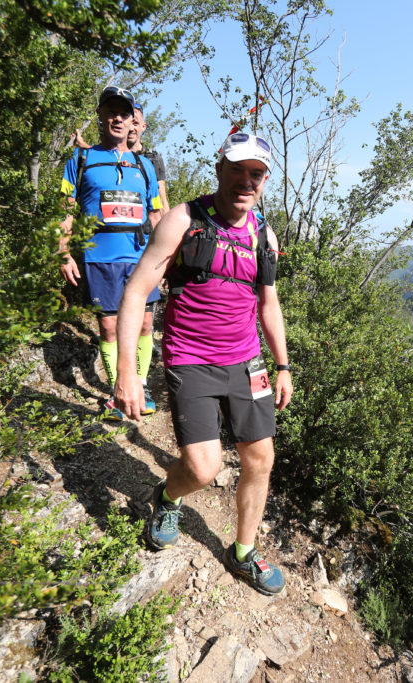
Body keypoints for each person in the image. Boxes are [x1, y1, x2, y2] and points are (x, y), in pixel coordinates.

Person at [113, 132, 293, 596]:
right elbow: (135, 292)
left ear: (265, 179)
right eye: (237, 169)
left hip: (246, 361)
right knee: (203, 468)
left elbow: (268, 305)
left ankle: (244, 552)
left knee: (261, 459)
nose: (246, 181)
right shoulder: (183, 221)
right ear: (220, 169)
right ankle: (168, 497)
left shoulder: (263, 234)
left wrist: (283, 365)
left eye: (256, 173)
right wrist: (126, 374)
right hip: (191, 359)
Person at [59, 85, 164, 419]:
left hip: (140, 257)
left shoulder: (144, 165)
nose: (117, 119)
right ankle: (119, 391)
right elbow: (64, 210)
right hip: (99, 255)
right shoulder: (81, 159)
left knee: (146, 325)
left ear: (132, 119)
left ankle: (141, 387)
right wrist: (63, 252)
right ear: (101, 116)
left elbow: (157, 215)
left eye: (124, 113)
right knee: (109, 328)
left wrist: (168, 260)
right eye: (111, 112)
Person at [129, 103, 171, 213]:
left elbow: (161, 199)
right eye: (128, 122)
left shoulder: (153, 158)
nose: (131, 128)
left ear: (143, 126)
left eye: (136, 123)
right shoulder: (111, 154)